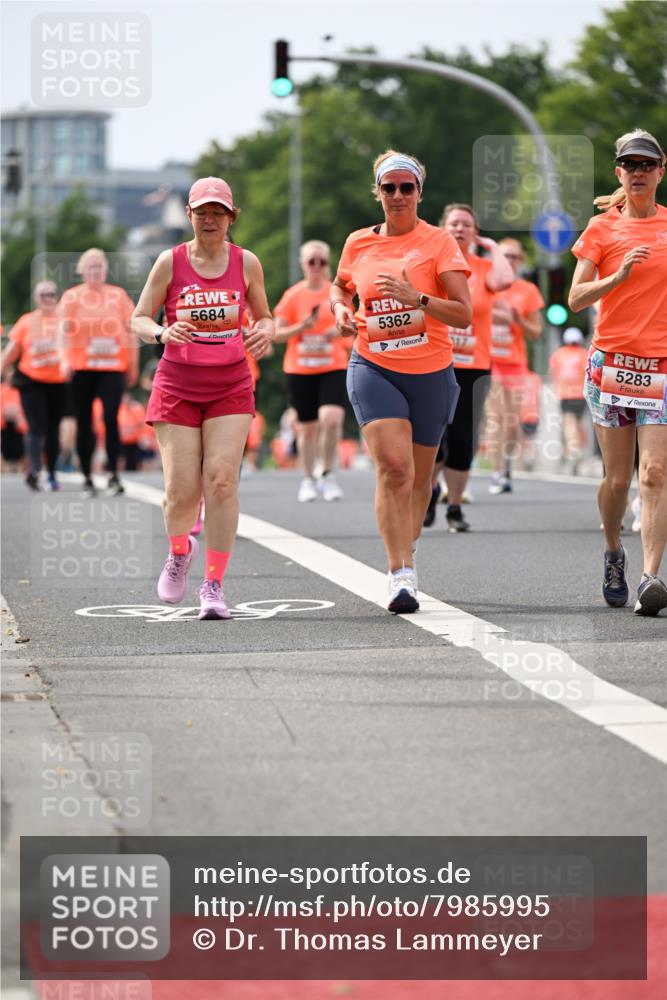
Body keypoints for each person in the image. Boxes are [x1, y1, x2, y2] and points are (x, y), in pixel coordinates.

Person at [331, 150, 472, 612]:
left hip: (430, 372)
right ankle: (400, 573)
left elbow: (463, 313)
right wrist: (340, 308)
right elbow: (340, 285)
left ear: (419, 193)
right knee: (394, 469)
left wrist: (418, 298)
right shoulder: (358, 243)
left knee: (418, 479)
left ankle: (406, 547)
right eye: (388, 187)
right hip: (373, 364)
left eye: (406, 188)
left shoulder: (438, 242)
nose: (397, 195)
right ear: (377, 192)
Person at [131, 176, 274, 620]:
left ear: (231, 218)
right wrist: (161, 332)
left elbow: (266, 316)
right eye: (202, 212)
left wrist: (265, 332)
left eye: (218, 212)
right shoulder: (170, 262)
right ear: (189, 216)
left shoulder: (246, 262)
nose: (210, 219)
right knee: (180, 492)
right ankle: (180, 551)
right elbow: (139, 317)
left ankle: (213, 585)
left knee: (221, 482)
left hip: (230, 384)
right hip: (177, 384)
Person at [569, 129, 667, 616]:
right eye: (630, 165)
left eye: (647, 165)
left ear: (661, 172)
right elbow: (575, 298)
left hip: (660, 367)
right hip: (610, 365)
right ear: (618, 173)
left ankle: (651, 577)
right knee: (617, 481)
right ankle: (613, 551)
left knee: (655, 471)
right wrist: (618, 276)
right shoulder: (601, 229)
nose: (638, 173)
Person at [424, 203, 514, 530]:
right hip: (435, 360)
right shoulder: (432, 264)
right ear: (442, 228)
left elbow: (506, 279)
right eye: (454, 224)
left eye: (467, 225)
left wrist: (491, 246)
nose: (460, 229)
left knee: (463, 438)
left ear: (475, 231)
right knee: (434, 436)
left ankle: (455, 508)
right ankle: (428, 494)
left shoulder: (483, 267)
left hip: (474, 365)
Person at [58, 248, 138, 497]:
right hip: (81, 367)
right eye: (90, 266)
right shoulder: (72, 297)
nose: (95, 270)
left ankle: (113, 474)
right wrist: (63, 360)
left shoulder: (118, 295)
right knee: (84, 422)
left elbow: (132, 331)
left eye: (99, 266)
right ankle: (87, 477)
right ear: (82, 270)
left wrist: (133, 365)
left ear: (105, 270)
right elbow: (61, 332)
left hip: (112, 367)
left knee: (111, 418)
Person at [274, 240, 349, 502]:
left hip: (333, 365)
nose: (317, 266)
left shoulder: (336, 294)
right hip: (300, 368)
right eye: (311, 262)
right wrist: (302, 327)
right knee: (307, 428)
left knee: (331, 419)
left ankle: (327, 473)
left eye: (322, 262)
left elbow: (354, 326)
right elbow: (276, 333)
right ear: (302, 264)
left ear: (328, 264)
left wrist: (338, 330)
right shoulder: (293, 295)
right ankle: (308, 479)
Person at [487, 238, 544, 492]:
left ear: (521, 261)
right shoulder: (485, 284)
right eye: (504, 256)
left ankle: (506, 465)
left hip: (515, 362)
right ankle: (497, 472)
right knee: (497, 416)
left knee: (512, 421)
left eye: (514, 256)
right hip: (488, 361)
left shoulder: (527, 291)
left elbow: (536, 333)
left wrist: (518, 320)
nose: (509, 261)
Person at [1, 280, 67, 491]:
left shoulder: (65, 321)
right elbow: (12, 351)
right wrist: (2, 368)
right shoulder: (26, 321)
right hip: (31, 380)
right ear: (36, 298)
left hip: (58, 382)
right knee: (36, 425)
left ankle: (52, 472)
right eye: (43, 294)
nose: (48, 298)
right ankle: (34, 469)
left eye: (52, 294)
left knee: (53, 427)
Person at [549, 327, 589, 475]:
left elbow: (553, 372)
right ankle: (578, 448)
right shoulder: (584, 354)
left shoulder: (558, 354)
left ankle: (573, 449)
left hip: (565, 394)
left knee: (568, 422)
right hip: (581, 394)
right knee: (578, 423)